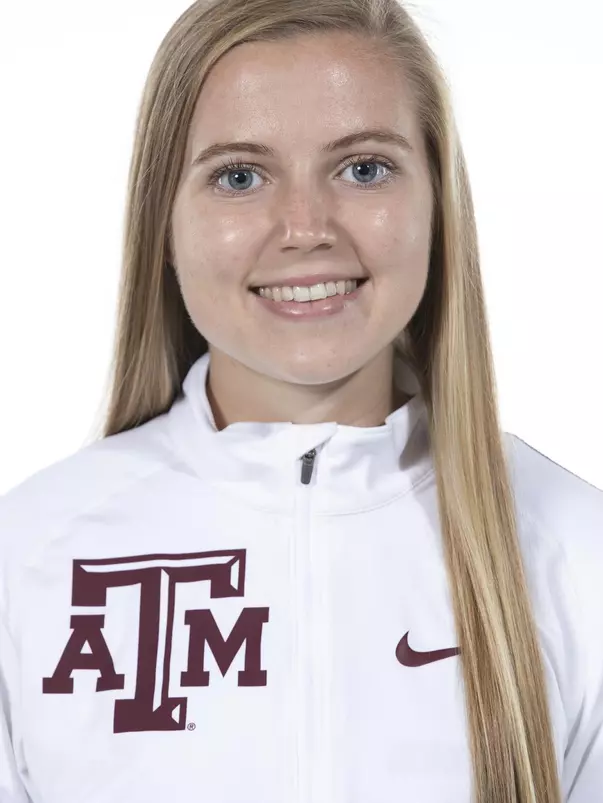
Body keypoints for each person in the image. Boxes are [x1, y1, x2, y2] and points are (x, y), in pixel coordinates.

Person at [0, 0, 601, 800]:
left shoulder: (574, 553)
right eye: (239, 176)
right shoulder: (31, 558)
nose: (304, 227)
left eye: (362, 168)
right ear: (165, 223)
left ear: (437, 207)